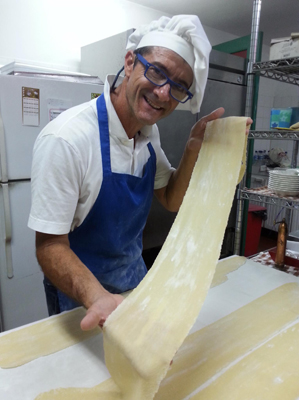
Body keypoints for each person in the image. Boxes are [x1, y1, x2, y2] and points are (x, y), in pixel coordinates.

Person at [28, 15, 251, 331]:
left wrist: (191, 149)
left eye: (178, 88)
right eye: (157, 72)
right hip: (82, 302)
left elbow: (171, 199)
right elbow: (49, 246)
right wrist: (98, 298)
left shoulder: (149, 135)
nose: (163, 93)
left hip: (135, 286)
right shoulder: (67, 140)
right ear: (130, 62)